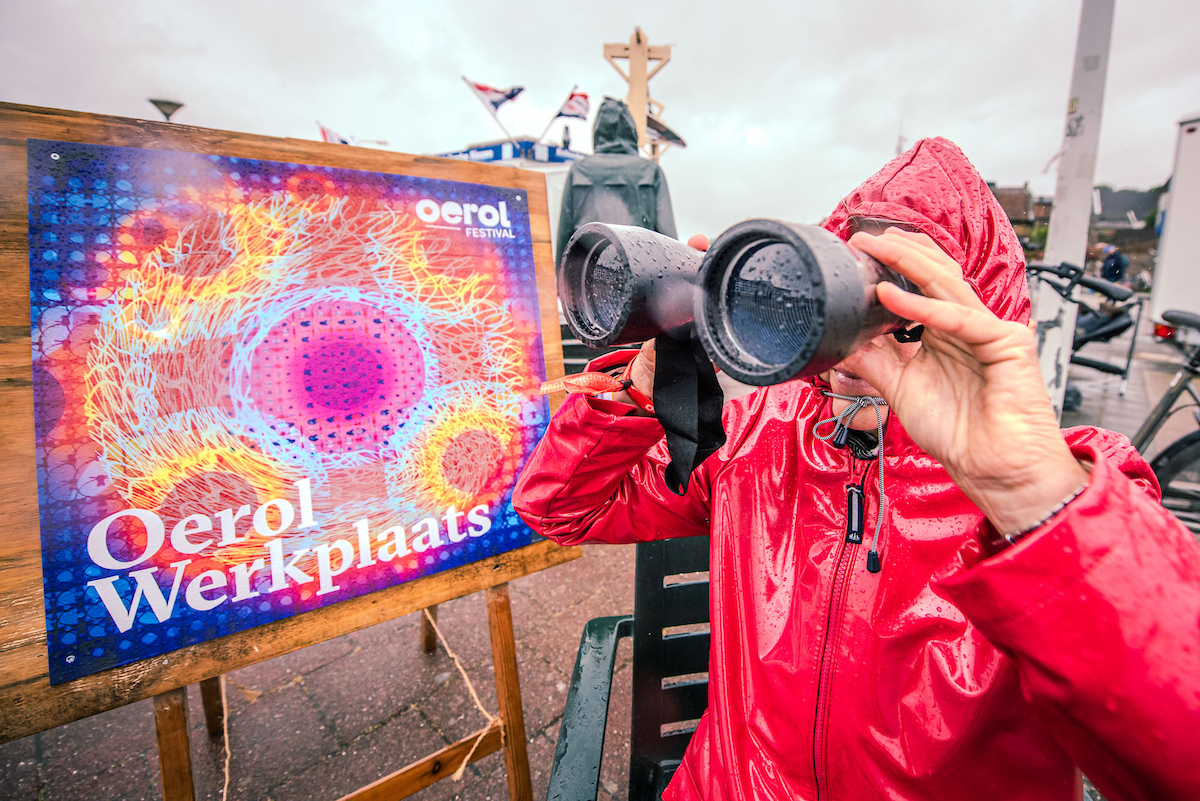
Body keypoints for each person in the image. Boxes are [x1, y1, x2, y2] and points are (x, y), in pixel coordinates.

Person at [515, 138, 1200, 800]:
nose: (857, 344)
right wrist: (640, 391)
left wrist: (1025, 489)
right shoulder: (761, 437)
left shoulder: (1068, 487)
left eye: (903, 309)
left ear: (974, 311)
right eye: (841, 289)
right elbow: (560, 507)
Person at [554, 97, 677, 264]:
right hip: (640, 270)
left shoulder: (578, 169)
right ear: (631, 129)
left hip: (587, 270)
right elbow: (667, 235)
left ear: (597, 131)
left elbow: (565, 232)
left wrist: (560, 281)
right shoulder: (650, 170)